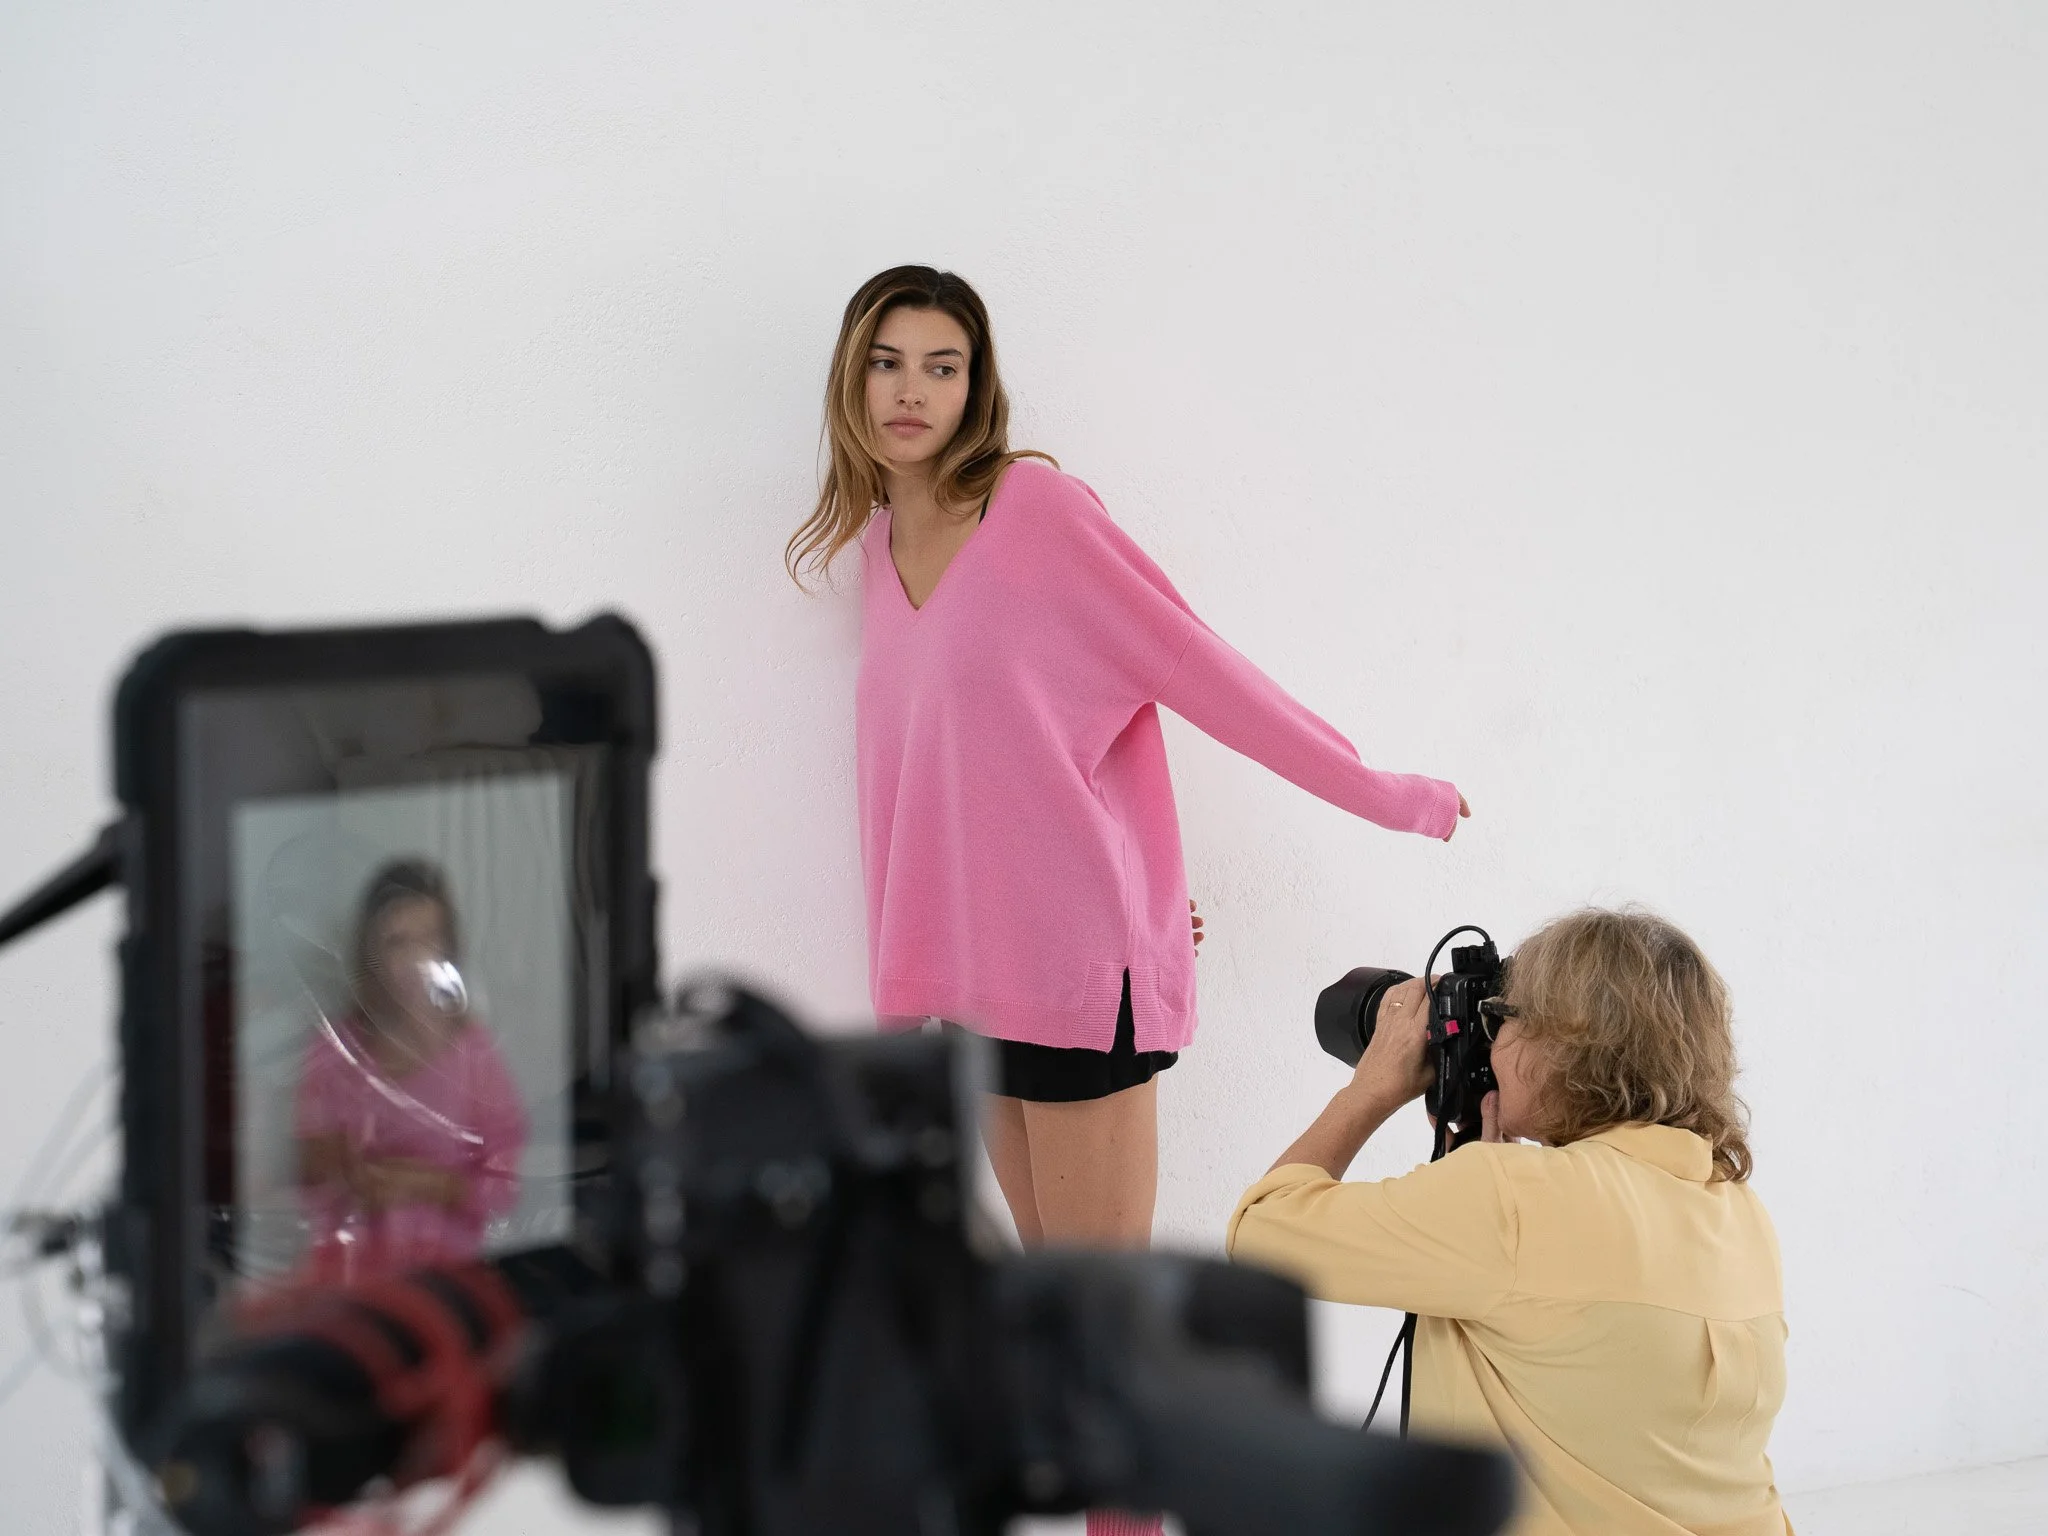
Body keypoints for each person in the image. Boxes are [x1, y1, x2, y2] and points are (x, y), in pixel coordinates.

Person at [788, 264, 1467, 1536]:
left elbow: (1197, 672)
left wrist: (1385, 794)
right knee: (1059, 1331)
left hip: (1074, 978)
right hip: (965, 986)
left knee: (1111, 1345)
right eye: (890, 362)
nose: (914, 392)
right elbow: (937, 788)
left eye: (944, 365)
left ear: (978, 383)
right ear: (852, 375)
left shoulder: (1036, 511)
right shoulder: (879, 547)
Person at [1229, 907, 1790, 1536]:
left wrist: (1372, 1088)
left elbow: (1261, 1233)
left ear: (1566, 1044)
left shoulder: (1511, 1201)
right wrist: (1488, 1186)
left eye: (1503, 1018)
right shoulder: (1738, 1208)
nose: (1490, 1043)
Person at [294, 857, 528, 1280]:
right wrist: (350, 1169)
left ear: (448, 949)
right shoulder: (333, 1050)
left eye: (430, 938)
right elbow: (309, 1169)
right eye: (397, 941)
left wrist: (423, 1183)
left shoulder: (475, 1053)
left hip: (448, 1284)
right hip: (348, 1283)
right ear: (370, 955)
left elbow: (505, 1188)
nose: (416, 958)